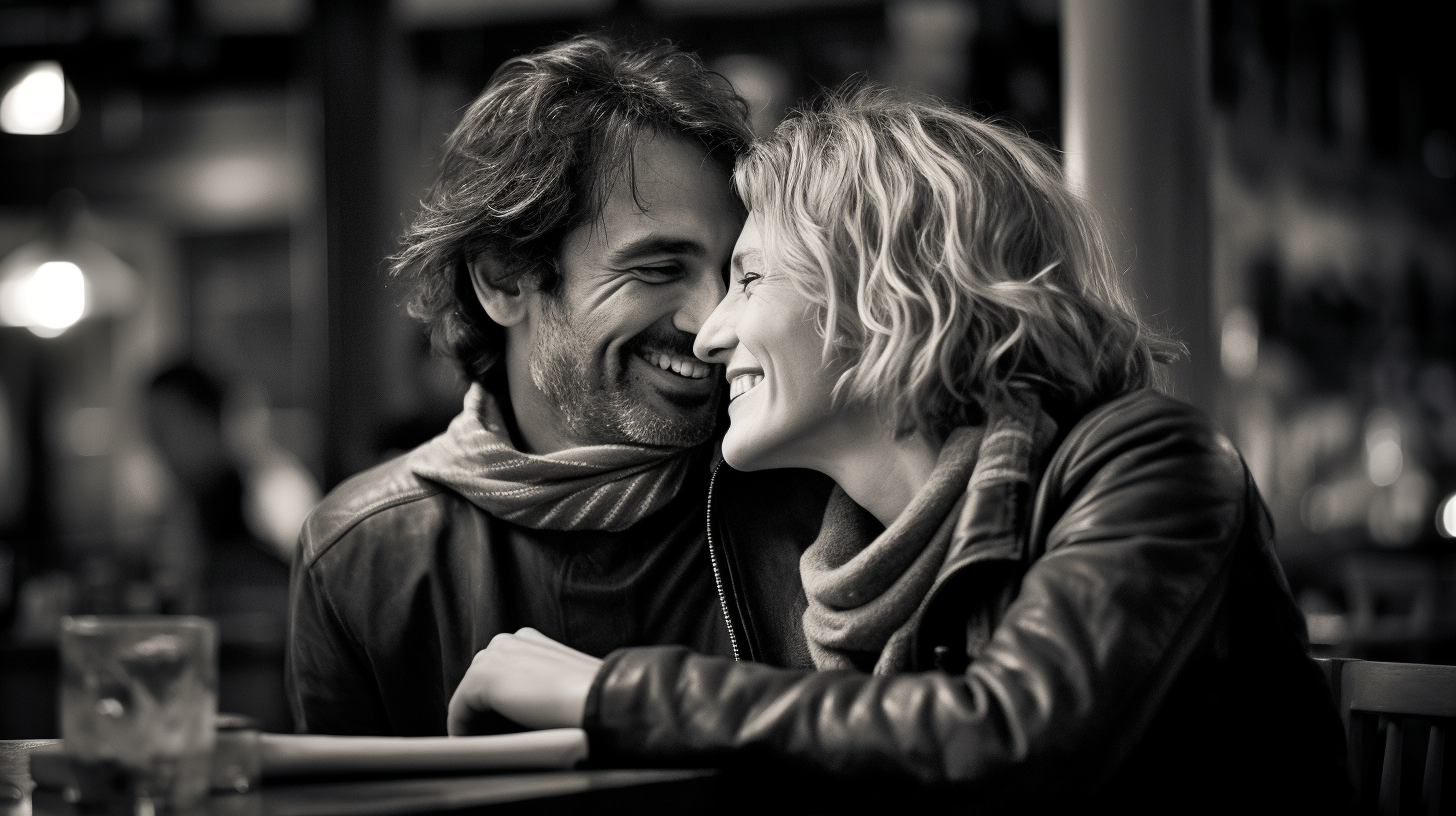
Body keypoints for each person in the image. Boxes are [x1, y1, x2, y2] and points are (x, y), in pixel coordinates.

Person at [448, 88, 1354, 810]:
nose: (710, 333)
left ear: (891, 287)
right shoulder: (849, 566)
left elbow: (1007, 739)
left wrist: (611, 695)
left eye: (750, 278)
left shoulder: (1148, 461)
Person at [286, 36, 753, 735]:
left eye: (738, 272)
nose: (715, 319)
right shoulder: (363, 554)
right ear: (504, 278)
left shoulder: (791, 502)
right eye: (658, 269)